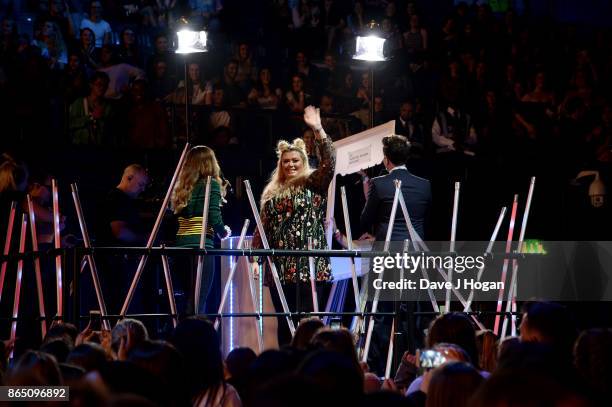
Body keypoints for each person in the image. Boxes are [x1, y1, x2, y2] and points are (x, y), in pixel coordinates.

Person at [250, 105, 335, 345]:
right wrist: (255, 259)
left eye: (295, 160)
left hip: (309, 263)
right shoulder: (271, 191)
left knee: (308, 323)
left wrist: (318, 129)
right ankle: (286, 366)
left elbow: (330, 163)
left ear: (304, 160)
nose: (291, 164)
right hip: (281, 265)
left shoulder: (313, 181)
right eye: (286, 161)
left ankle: (310, 365)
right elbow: (262, 227)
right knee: (284, 321)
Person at [170, 146, 230, 315]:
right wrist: (223, 231)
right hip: (201, 246)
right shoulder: (211, 184)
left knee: (188, 299)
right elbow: (213, 215)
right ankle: (196, 337)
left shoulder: (182, 187)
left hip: (181, 247)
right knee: (199, 300)